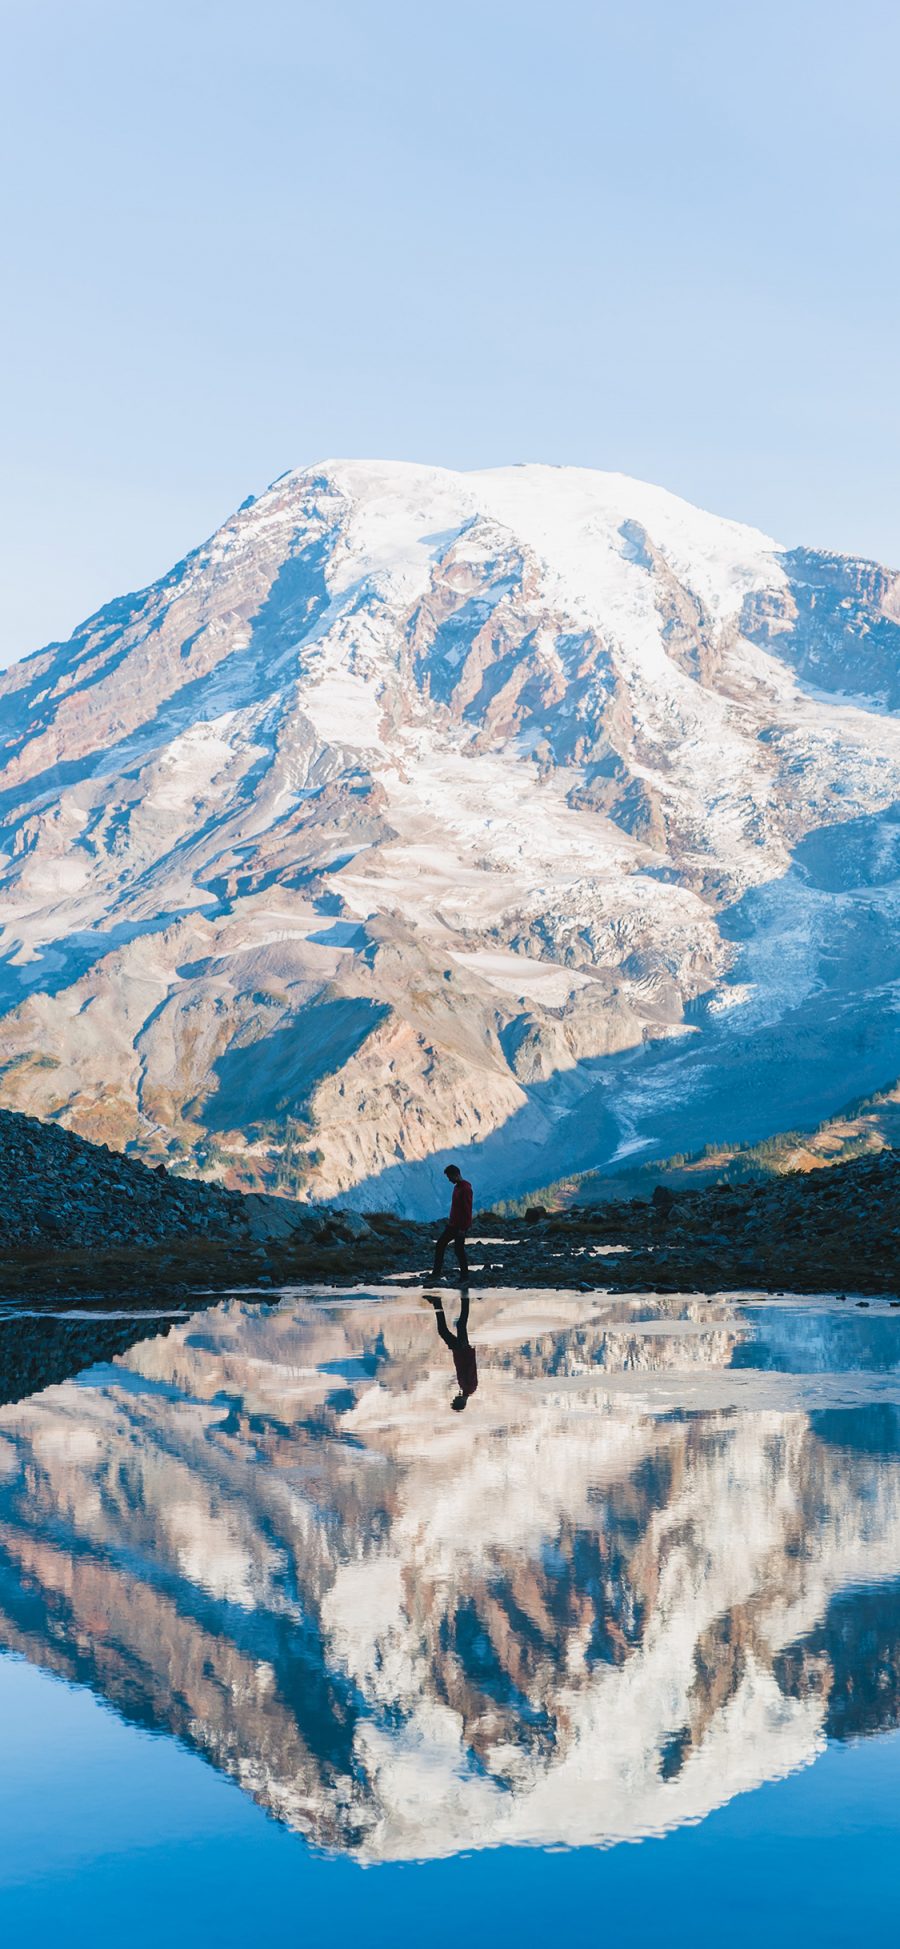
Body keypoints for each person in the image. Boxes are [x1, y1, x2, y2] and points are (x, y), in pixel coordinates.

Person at [428, 1287, 478, 1411]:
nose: (455, 1397)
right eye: (456, 1400)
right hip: (462, 1349)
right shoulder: (470, 1387)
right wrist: (467, 1350)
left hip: (459, 1350)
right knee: (458, 1326)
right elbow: (471, 1367)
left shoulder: (465, 1388)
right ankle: (463, 1299)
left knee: (449, 1329)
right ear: (460, 1402)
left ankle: (438, 1302)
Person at [431, 1163, 472, 1283]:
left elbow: (467, 1210)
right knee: (442, 1245)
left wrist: (463, 1228)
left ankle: (464, 1276)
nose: (449, 1180)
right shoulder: (458, 1187)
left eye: (450, 1177)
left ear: (456, 1175)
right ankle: (437, 1273)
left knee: (458, 1250)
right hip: (453, 1224)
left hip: (459, 1226)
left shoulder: (465, 1189)